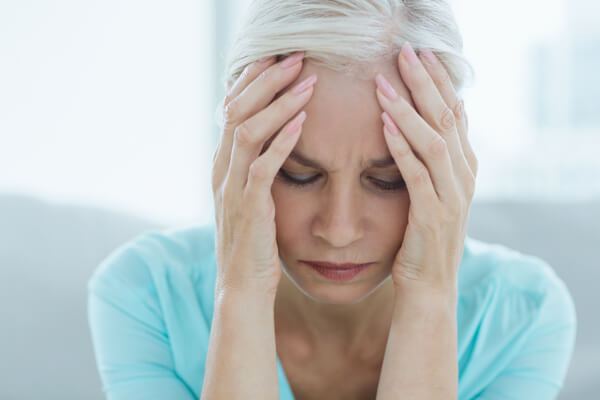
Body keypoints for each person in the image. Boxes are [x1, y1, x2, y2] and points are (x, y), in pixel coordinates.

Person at [87, 1, 577, 399]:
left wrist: (429, 296)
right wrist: (241, 292)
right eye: (298, 174)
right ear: (239, 153)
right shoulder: (145, 294)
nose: (338, 230)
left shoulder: (521, 317)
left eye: (388, 180)